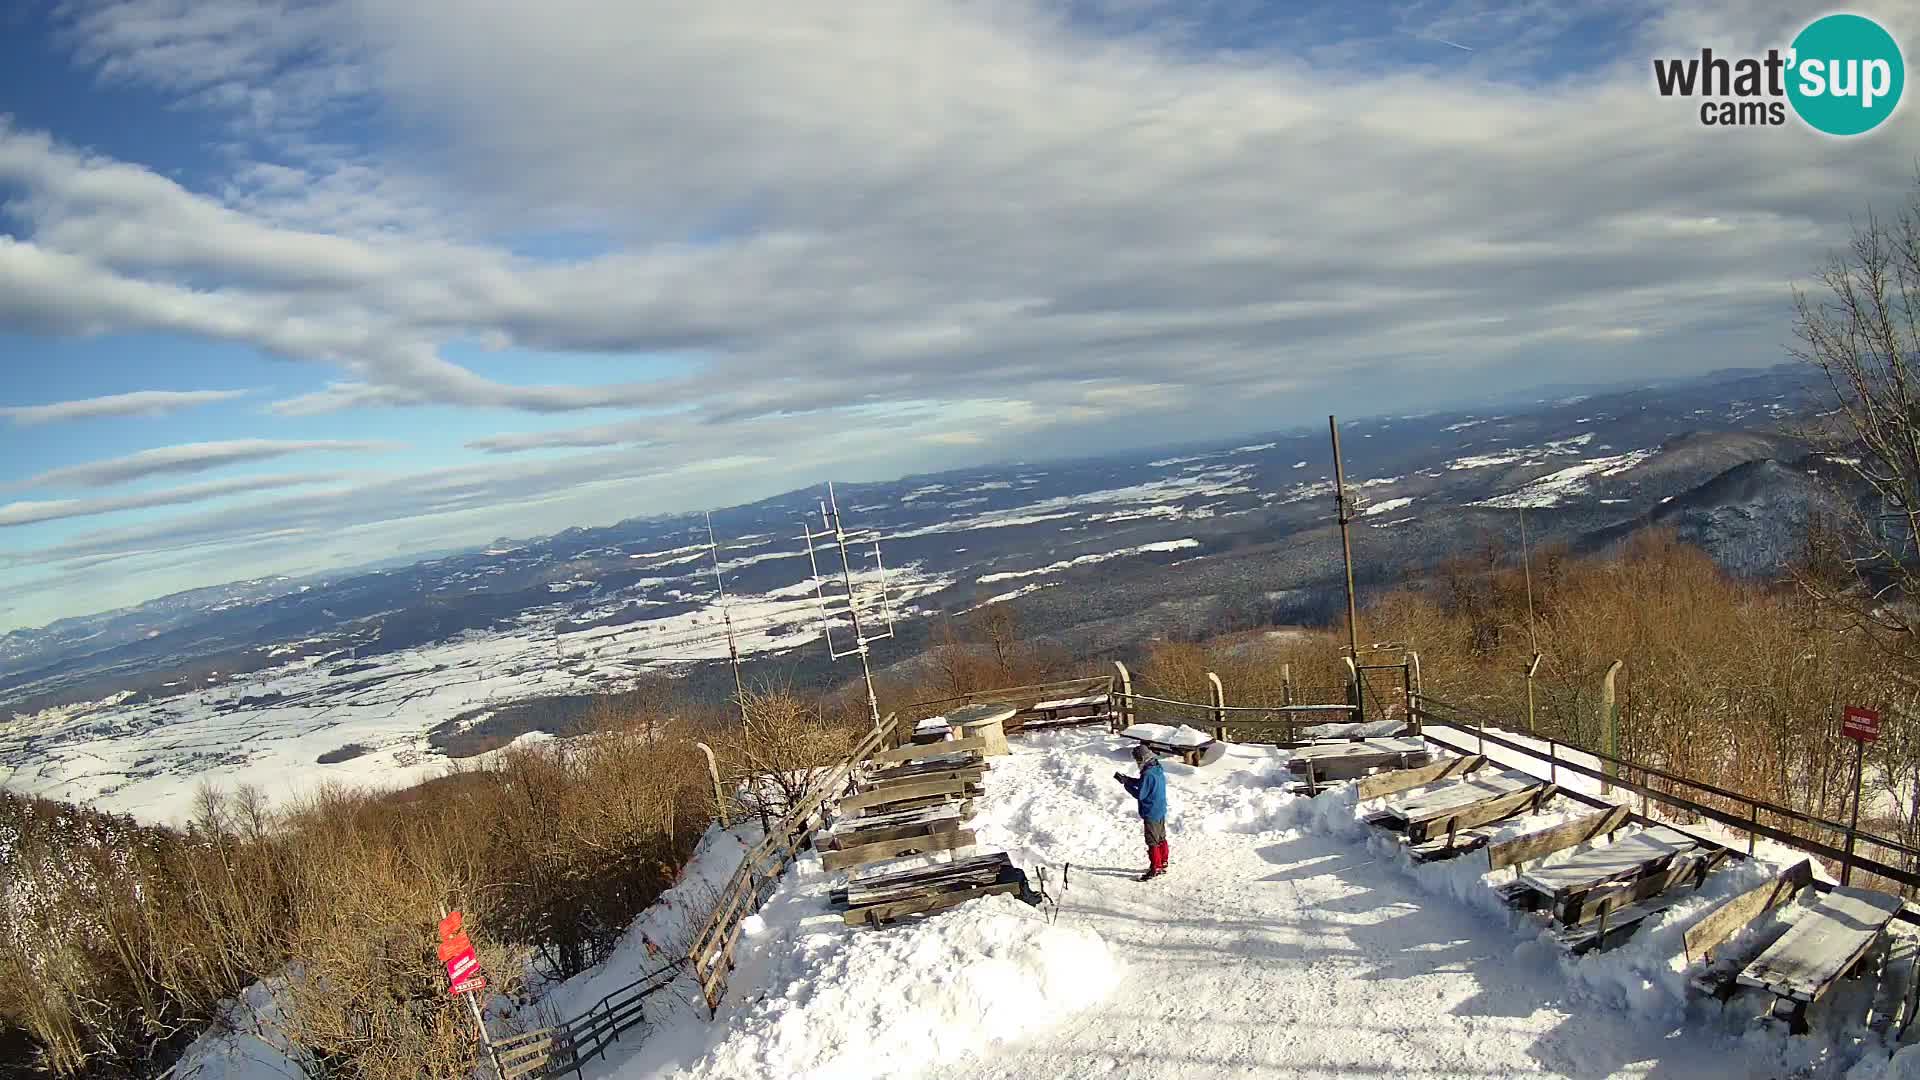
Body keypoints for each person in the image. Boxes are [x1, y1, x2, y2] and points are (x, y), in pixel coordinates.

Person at [1115, 744, 1169, 880]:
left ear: (1142, 758)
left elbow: (1140, 794)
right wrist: (1129, 779)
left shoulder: (1148, 773)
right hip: (1160, 809)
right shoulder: (1157, 768)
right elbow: (1144, 783)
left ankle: (1155, 868)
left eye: (1138, 760)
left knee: (1152, 841)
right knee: (1161, 837)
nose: (1137, 763)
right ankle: (1163, 862)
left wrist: (1126, 784)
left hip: (1151, 811)